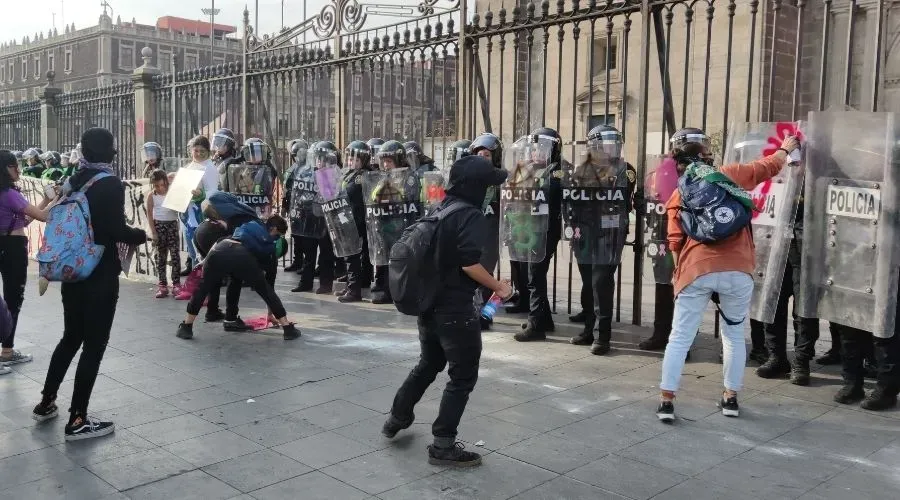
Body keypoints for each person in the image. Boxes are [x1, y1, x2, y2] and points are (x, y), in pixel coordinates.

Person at [654, 128, 799, 422]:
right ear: (707, 155)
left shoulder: (678, 193)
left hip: (697, 269)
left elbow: (675, 242)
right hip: (738, 268)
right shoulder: (727, 175)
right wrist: (784, 148)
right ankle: (730, 398)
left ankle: (667, 401)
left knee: (680, 337)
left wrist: (678, 276)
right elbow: (766, 167)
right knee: (733, 334)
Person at [381, 154, 512, 467]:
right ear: (476, 186)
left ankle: (397, 417)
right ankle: (443, 444)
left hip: (430, 305)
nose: (491, 191)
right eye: (488, 185)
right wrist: (499, 286)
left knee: (428, 363)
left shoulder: (440, 207)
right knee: (462, 376)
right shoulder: (470, 215)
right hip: (455, 310)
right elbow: (469, 264)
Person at [32, 127, 148, 440]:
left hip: (72, 271)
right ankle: (78, 419)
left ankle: (46, 402)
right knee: (94, 346)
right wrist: (139, 235)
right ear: (109, 152)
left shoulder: (74, 179)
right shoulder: (109, 183)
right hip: (98, 272)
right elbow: (114, 229)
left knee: (71, 337)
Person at [567, 125, 636, 354]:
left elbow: (622, 199)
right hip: (585, 231)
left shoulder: (625, 169)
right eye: (608, 142)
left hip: (610, 232)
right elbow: (573, 199)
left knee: (601, 283)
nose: (614, 146)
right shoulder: (581, 169)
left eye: (616, 141)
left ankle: (603, 337)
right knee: (588, 282)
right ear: (594, 145)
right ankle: (588, 330)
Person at [176, 214, 300, 341]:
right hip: (242, 256)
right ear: (273, 230)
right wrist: (270, 314)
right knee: (264, 289)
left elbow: (220, 241)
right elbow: (269, 290)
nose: (277, 238)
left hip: (219, 249)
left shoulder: (249, 226)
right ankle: (288, 329)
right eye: (278, 235)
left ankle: (187, 326)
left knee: (204, 288)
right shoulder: (269, 248)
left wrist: (205, 262)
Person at [0, 150, 55, 368]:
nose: (19, 170)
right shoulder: (10, 194)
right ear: (5, 168)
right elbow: (43, 217)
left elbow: (23, 220)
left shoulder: (6, 195)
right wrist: (56, 200)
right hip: (13, 249)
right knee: (14, 298)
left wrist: (45, 200)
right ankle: (6, 351)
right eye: (15, 166)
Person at [512, 128, 564, 342]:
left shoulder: (557, 171)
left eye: (542, 149)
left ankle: (536, 324)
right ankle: (544, 318)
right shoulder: (526, 169)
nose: (537, 153)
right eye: (534, 149)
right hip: (525, 227)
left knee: (534, 275)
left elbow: (551, 193)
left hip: (544, 229)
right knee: (530, 274)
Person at [368, 140, 417, 304]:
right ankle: (382, 290)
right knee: (382, 261)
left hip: (400, 224)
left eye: (389, 161)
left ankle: (396, 292)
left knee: (397, 261)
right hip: (384, 224)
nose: (386, 165)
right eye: (383, 161)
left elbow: (408, 199)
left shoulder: (409, 177)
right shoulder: (382, 177)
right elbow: (373, 196)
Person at [174, 135, 220, 295]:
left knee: (201, 251)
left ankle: (204, 289)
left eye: (202, 151)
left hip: (201, 215)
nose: (199, 154)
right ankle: (195, 287)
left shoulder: (210, 168)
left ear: (208, 152)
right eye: (196, 150)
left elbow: (213, 192)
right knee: (192, 252)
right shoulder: (189, 167)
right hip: (187, 216)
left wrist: (201, 195)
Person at [290, 141, 337, 294]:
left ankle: (325, 284)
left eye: (322, 158)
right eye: (317, 158)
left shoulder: (331, 174)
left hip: (325, 220)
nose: (318, 161)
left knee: (325, 254)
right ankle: (305, 282)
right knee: (308, 254)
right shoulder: (306, 172)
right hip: (309, 219)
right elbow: (299, 193)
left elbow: (329, 197)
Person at [469, 133, 503, 330]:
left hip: (491, 234)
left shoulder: (500, 181)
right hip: (471, 234)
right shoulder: (469, 180)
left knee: (487, 275)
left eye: (487, 155)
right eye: (479, 155)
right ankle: (473, 310)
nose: (483, 158)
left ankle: (487, 313)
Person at [336, 140, 374, 302]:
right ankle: (351, 286)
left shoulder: (363, 177)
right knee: (349, 255)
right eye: (350, 159)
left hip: (357, 221)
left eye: (356, 160)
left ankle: (354, 290)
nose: (352, 162)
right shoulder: (349, 174)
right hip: (348, 218)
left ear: (364, 161)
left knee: (352, 255)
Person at [146, 169, 182, 298]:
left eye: (163, 185)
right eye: (157, 185)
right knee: (161, 256)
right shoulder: (152, 195)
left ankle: (176, 283)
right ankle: (162, 284)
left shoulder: (173, 192)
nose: (160, 188)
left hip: (172, 224)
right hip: (159, 225)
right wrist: (154, 232)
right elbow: (149, 214)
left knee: (175, 255)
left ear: (166, 182)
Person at [282, 139, 309, 273]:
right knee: (296, 235)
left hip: (305, 207)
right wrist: (284, 206)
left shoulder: (308, 169)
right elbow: (285, 190)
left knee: (305, 237)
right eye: (295, 155)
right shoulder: (291, 170)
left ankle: (305, 262)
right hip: (293, 206)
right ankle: (297, 261)